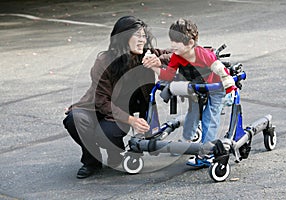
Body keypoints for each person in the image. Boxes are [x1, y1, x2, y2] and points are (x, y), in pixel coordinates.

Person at [63, 16, 170, 179]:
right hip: (97, 107)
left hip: (120, 111)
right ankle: (91, 161)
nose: (143, 40)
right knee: (74, 119)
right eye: (138, 36)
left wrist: (159, 60)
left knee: (107, 133)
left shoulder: (147, 55)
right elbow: (101, 102)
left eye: (144, 36)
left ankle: (115, 153)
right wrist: (131, 120)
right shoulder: (104, 61)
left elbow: (177, 54)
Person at [143, 18, 236, 168]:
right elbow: (168, 76)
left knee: (209, 116)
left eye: (177, 42)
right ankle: (185, 141)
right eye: (171, 40)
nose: (172, 45)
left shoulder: (203, 54)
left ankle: (207, 152)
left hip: (215, 88)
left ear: (190, 43)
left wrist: (230, 89)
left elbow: (220, 70)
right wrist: (153, 67)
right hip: (196, 87)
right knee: (192, 113)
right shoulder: (177, 56)